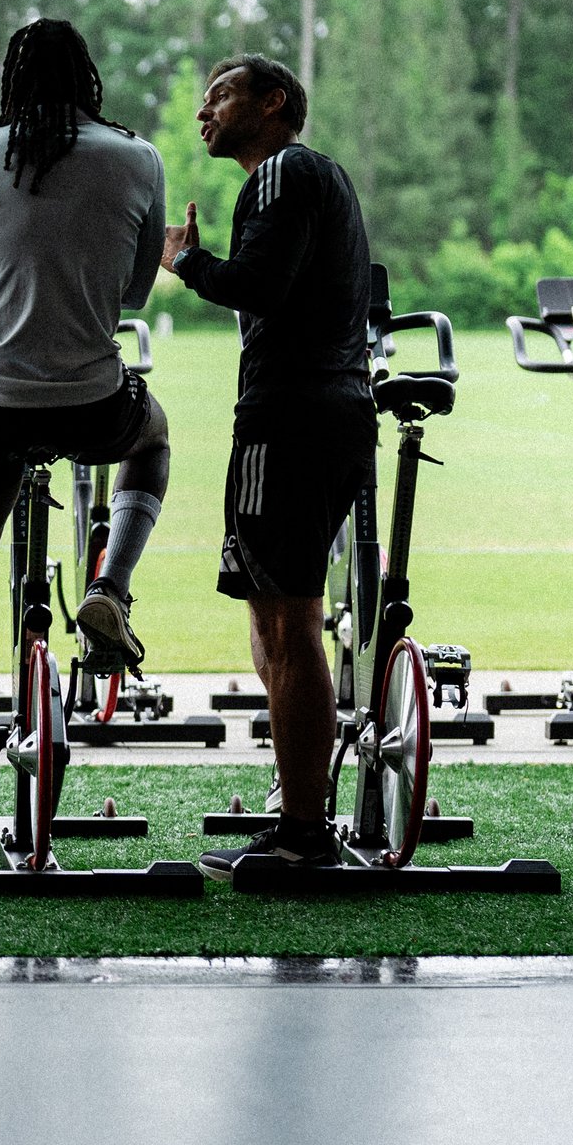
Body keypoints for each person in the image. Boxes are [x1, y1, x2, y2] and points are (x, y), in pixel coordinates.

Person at [0, 18, 172, 814]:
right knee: (154, 434)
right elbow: (134, 293)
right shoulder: (138, 158)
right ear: (90, 79)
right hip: (94, 401)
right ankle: (111, 585)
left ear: (12, 82)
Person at [161, 53, 375, 876]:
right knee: (284, 619)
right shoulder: (321, 179)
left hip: (288, 421)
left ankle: (302, 833)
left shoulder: (282, 173)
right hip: (332, 412)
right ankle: (302, 818)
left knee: (285, 625)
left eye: (220, 95)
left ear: (274, 101)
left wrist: (184, 260)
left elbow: (260, 283)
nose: (203, 111)